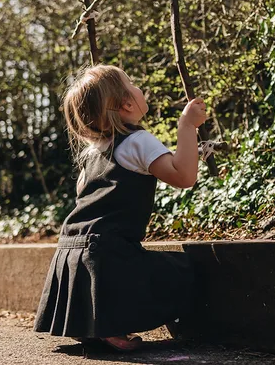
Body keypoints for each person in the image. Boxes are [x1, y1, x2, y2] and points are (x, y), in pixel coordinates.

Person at [33, 64, 207, 351]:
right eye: (132, 83)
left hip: (70, 250)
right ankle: (113, 325)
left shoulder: (93, 153)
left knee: (138, 268)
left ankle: (96, 323)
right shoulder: (137, 140)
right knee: (182, 271)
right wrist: (187, 126)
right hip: (108, 252)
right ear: (126, 103)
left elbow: (83, 195)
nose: (138, 87)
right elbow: (183, 176)